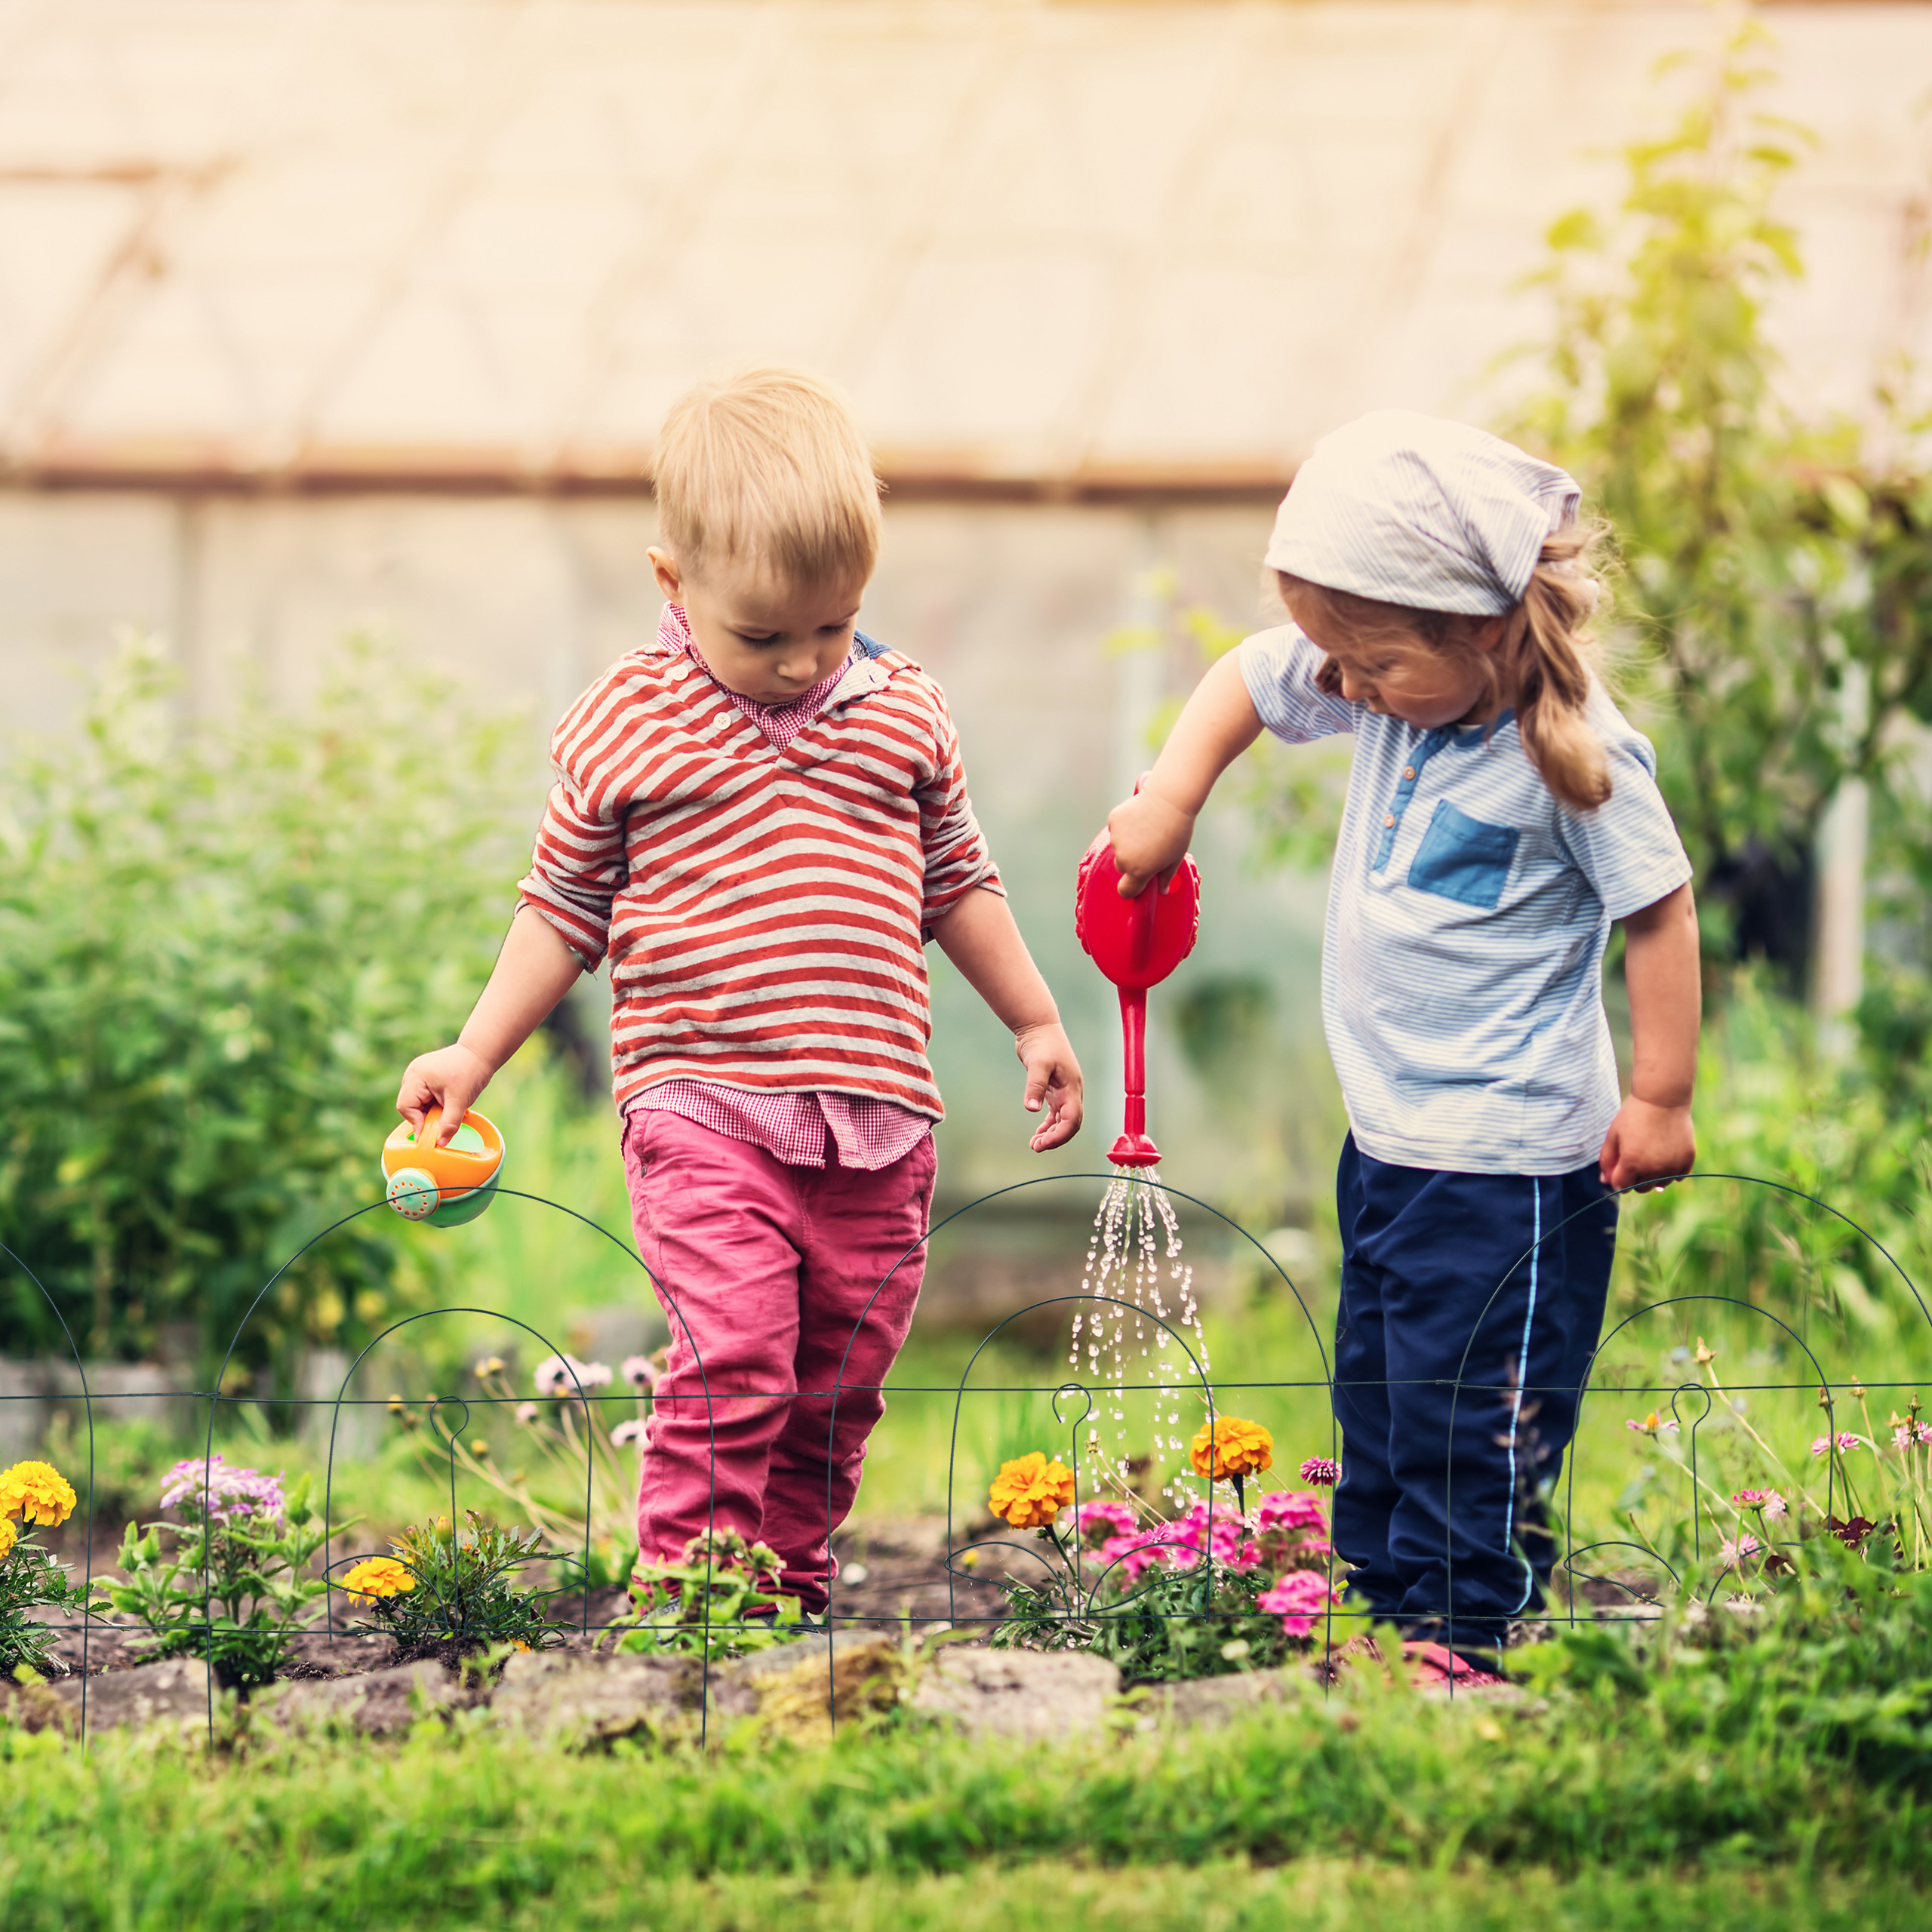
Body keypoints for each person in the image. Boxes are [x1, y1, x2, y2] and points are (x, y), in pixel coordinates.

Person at [395, 368, 1083, 1614]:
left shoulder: (902, 714)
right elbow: (561, 907)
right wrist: (473, 1053)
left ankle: (788, 1585)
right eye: (762, 637)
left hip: (879, 1118)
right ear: (673, 581)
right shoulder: (629, 720)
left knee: (839, 1382)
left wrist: (1034, 1017)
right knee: (738, 1352)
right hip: (702, 1103)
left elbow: (958, 880)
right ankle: (691, 1599)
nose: (801, 661)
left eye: (834, 626)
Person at [1105, 410, 1699, 1665]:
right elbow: (1246, 677)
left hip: (1508, 1164)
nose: (1343, 686)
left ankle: (1462, 1634)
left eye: (1369, 662)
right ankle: (1385, 1608)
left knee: (1470, 1408)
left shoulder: (1577, 756)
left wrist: (1660, 1096)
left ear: (1479, 627)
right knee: (1380, 1389)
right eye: (1337, 658)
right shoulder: (1389, 692)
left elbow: (1660, 911)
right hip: (1391, 1141)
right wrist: (1171, 798)